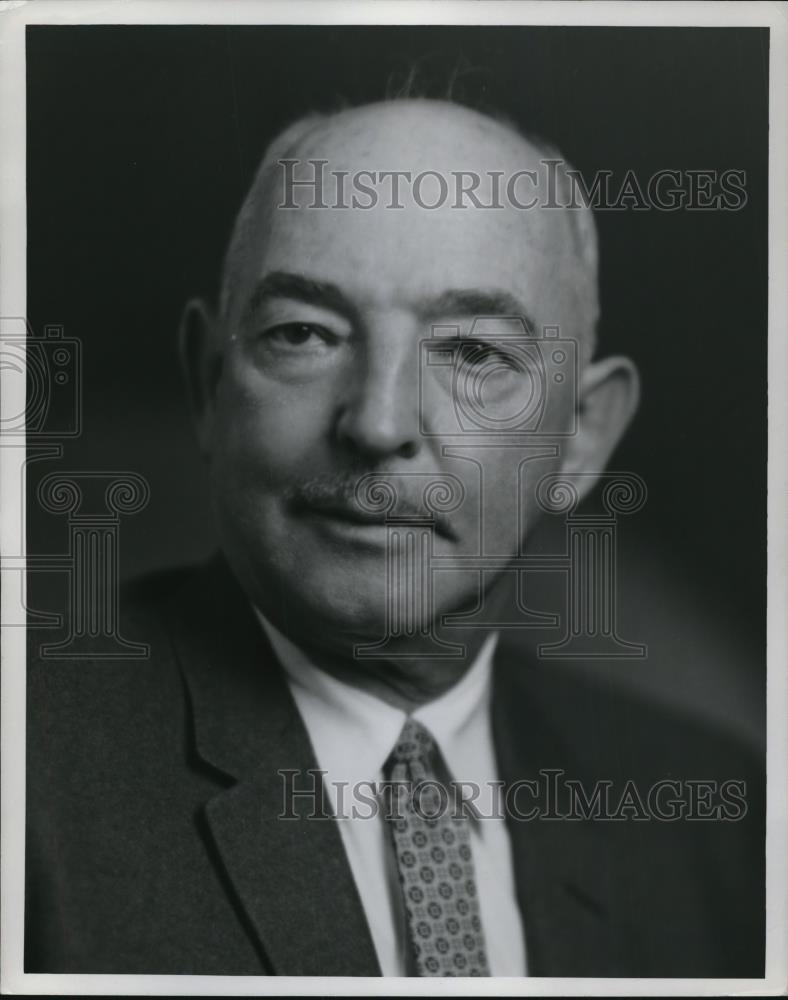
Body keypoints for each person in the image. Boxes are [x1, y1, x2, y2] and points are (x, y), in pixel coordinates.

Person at [25, 98, 764, 977]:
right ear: (208, 385)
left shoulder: (721, 823)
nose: (377, 423)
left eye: (472, 353)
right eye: (304, 333)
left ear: (582, 436)